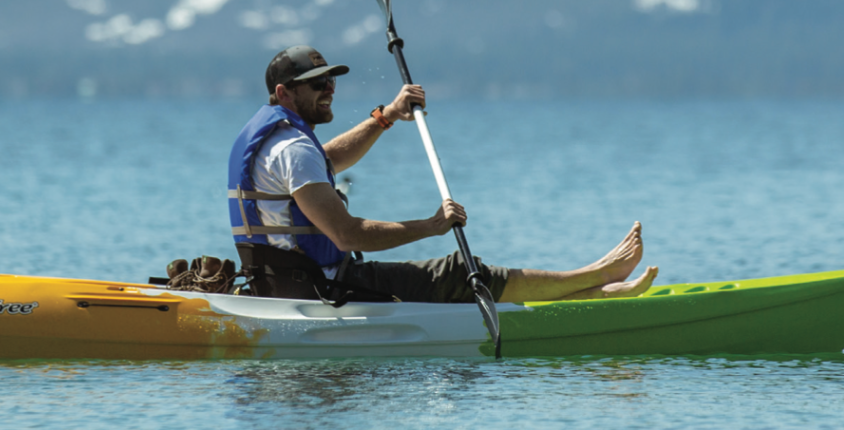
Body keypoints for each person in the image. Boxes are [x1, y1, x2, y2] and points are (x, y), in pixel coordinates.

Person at [228, 45, 658, 304]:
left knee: (457, 276)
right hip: (322, 290)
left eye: (330, 80)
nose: (329, 89)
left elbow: (328, 159)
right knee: (459, 271)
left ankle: (594, 292)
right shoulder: (292, 148)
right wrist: (431, 226)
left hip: (287, 284)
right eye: (316, 83)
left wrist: (386, 117)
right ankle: (596, 278)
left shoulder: (278, 144)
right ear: (285, 92)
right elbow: (348, 236)